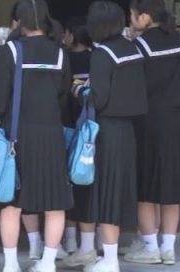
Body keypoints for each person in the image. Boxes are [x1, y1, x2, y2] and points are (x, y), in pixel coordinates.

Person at [0, 0, 71, 272]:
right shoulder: (59, 53)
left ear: (20, 21)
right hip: (51, 133)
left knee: (11, 204)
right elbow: (63, 97)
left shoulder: (10, 50)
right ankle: (47, 263)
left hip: (16, 135)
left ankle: (11, 265)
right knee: (54, 202)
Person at [126, 0, 180, 266]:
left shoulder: (139, 46)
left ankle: (149, 247)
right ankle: (168, 248)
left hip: (149, 122)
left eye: (132, 14)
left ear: (144, 16)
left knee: (146, 187)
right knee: (171, 187)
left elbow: (135, 86)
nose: (131, 19)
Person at [81, 1, 147, 272]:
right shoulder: (132, 49)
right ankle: (107, 257)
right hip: (129, 131)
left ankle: (109, 261)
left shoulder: (102, 54)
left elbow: (100, 98)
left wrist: (80, 92)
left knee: (107, 193)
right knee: (118, 192)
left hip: (106, 131)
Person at [61, 17, 98, 268]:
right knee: (85, 179)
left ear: (72, 36)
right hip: (90, 130)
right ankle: (88, 242)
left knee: (68, 181)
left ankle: (71, 239)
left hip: (66, 125)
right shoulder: (97, 57)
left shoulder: (64, 58)